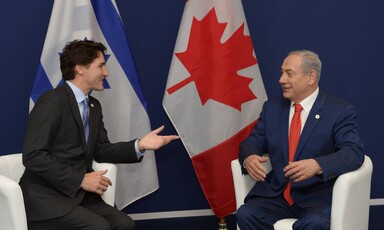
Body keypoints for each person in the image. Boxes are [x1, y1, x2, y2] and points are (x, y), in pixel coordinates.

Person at [20, 39, 179, 230]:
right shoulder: (52, 101)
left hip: (78, 197)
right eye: (101, 66)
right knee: (99, 227)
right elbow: (33, 156)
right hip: (46, 199)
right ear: (80, 68)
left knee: (125, 224)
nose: (106, 73)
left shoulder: (94, 107)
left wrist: (140, 145)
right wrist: (80, 179)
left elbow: (101, 150)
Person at [236, 50, 364, 230]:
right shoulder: (272, 108)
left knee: (315, 223)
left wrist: (317, 165)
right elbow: (253, 141)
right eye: (281, 72)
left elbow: (353, 152)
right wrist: (249, 157)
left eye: (289, 73)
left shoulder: (339, 111)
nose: (281, 79)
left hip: (316, 197)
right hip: (278, 194)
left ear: (311, 77)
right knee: (246, 214)